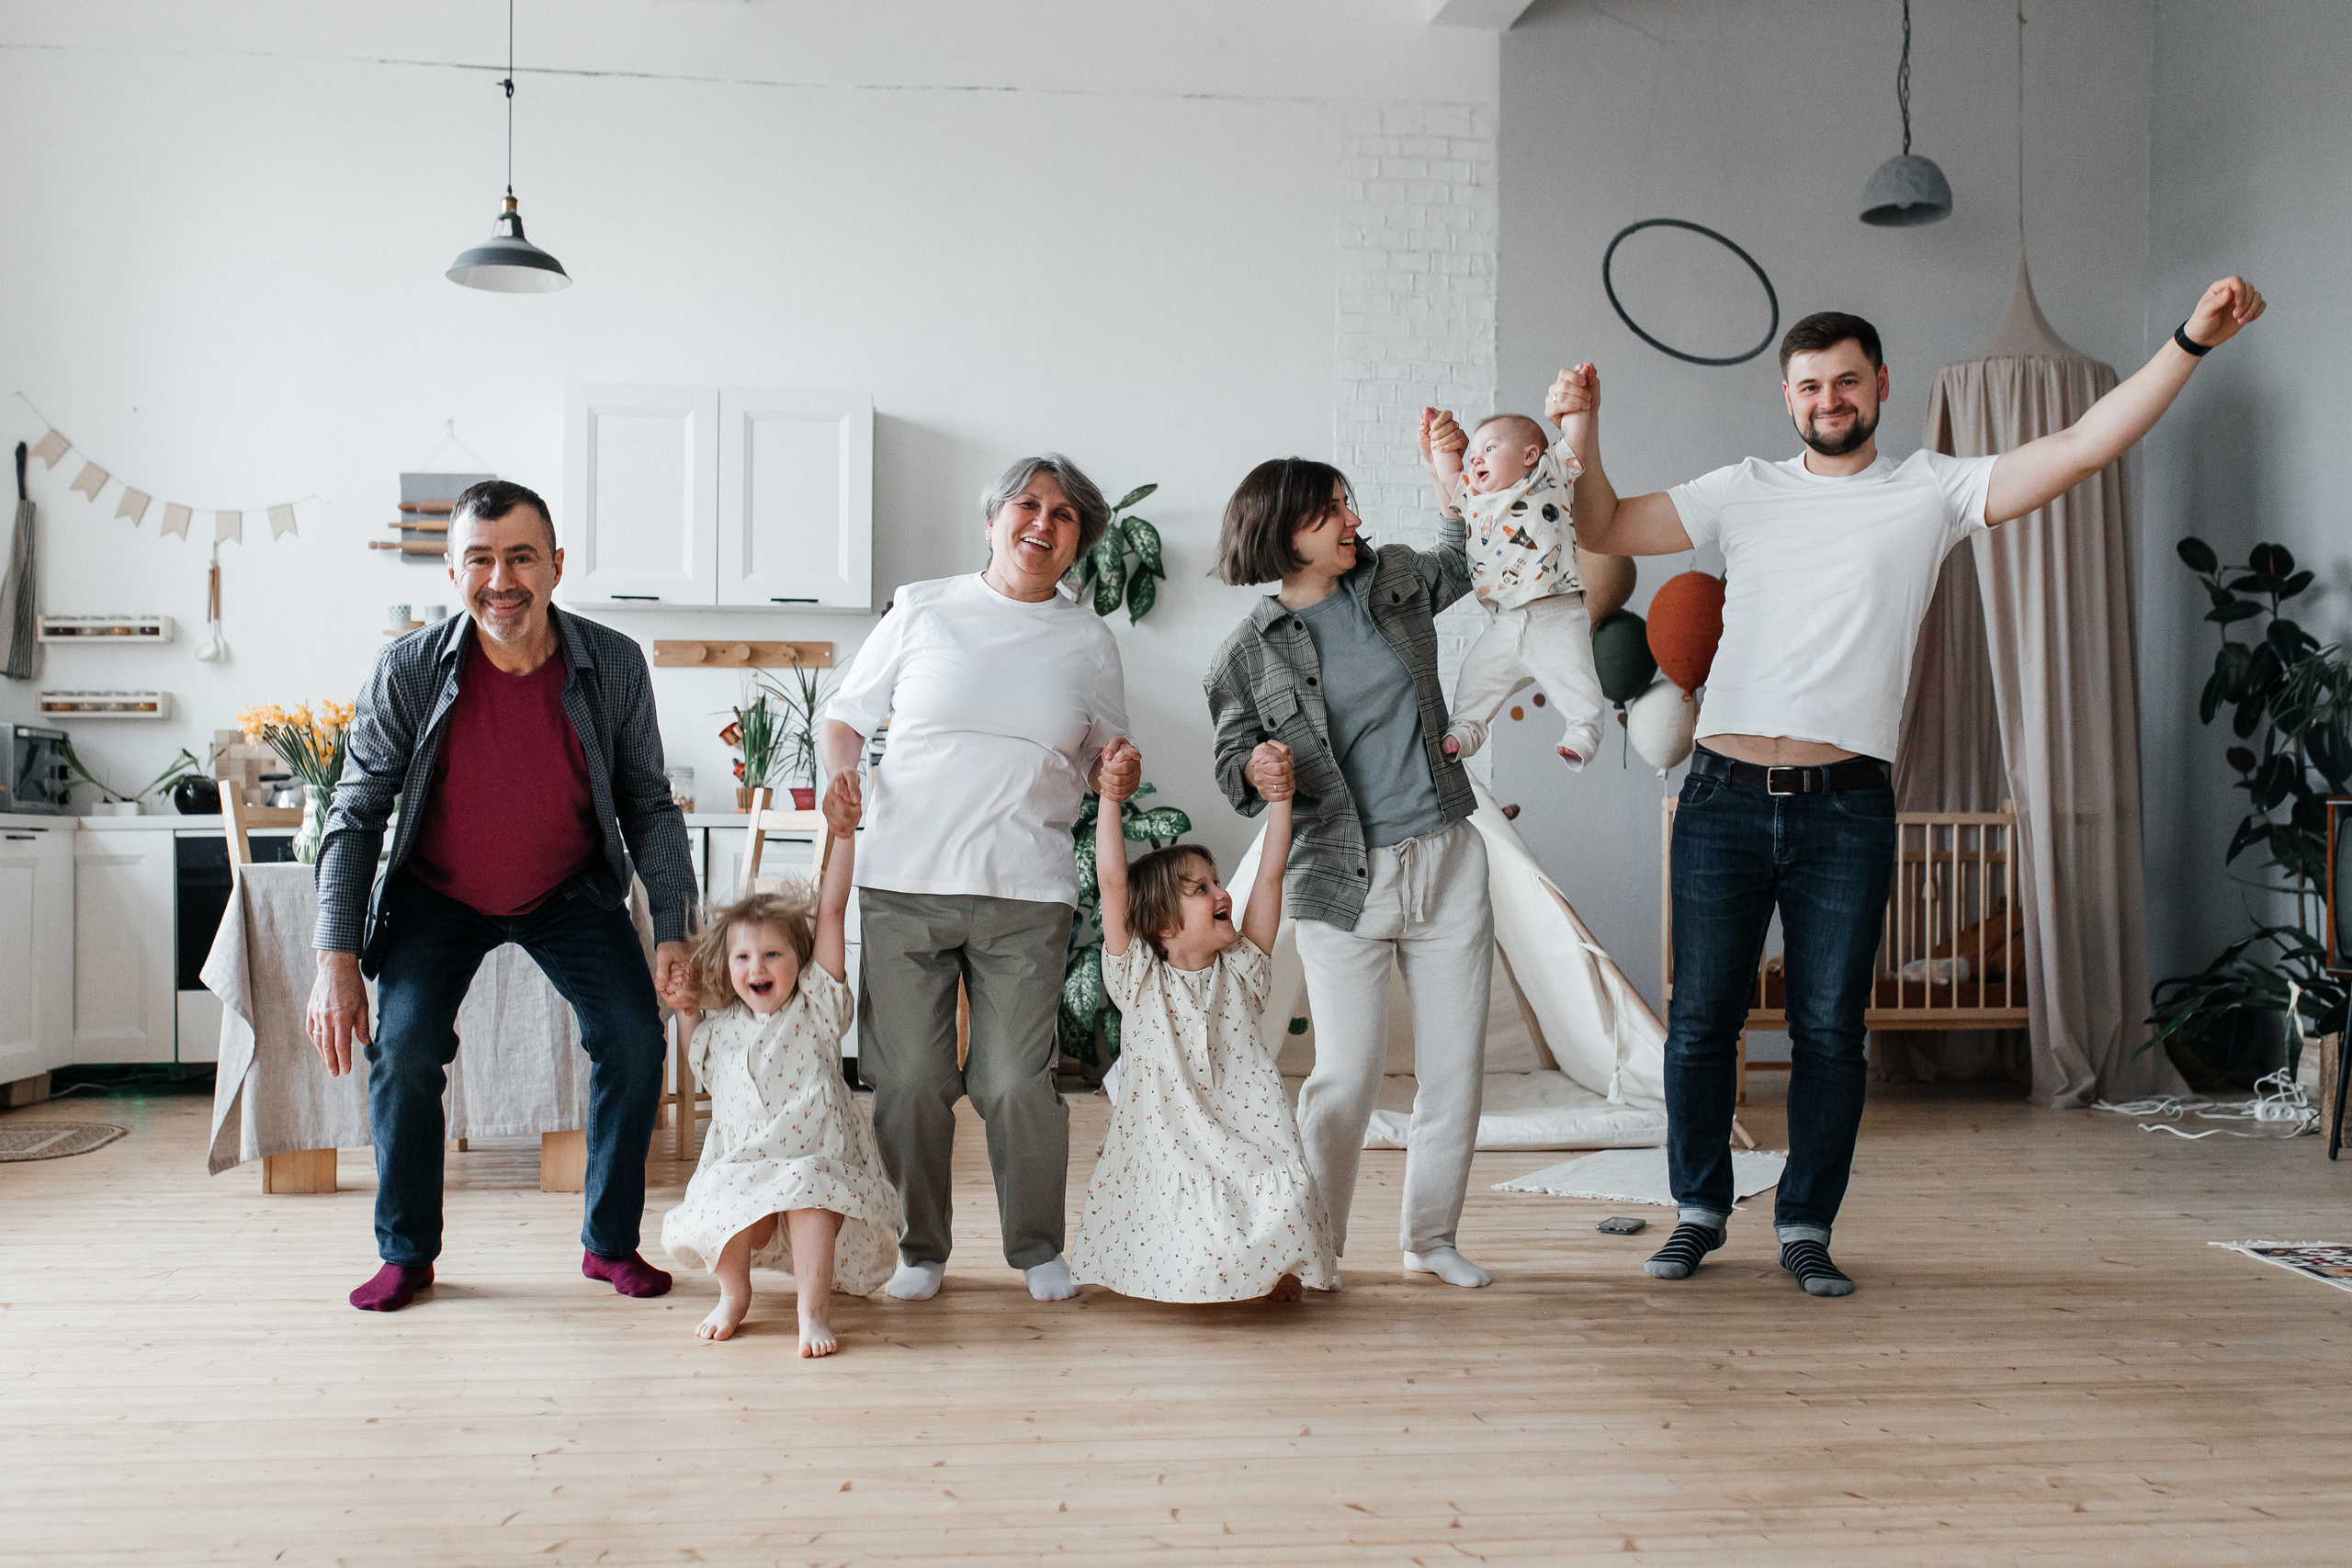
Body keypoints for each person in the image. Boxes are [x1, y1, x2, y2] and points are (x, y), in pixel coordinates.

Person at [1564, 276, 2268, 1297]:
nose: (1827, 399)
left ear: (1880, 386)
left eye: (1845, 380)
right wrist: (1582, 425)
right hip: (1720, 795)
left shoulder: (1932, 489)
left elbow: (2083, 445)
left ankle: (1805, 1225)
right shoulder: (1743, 487)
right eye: (1809, 386)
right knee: (1704, 1020)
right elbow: (1607, 526)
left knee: (1828, 1030)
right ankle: (1700, 1211)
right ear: (1787, 397)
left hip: (1845, 805)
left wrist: (2189, 341)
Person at [306, 479, 698, 1314]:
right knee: (405, 1051)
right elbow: (354, 815)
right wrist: (333, 957)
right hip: (435, 895)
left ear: (557, 565)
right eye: (480, 559)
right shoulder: (409, 669)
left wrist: (675, 927)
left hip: (569, 888)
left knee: (633, 1040)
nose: (501, 578)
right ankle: (406, 1252)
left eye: (521, 556)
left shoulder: (613, 663)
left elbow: (648, 803)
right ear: (453, 571)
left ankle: (609, 1243)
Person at [816, 454, 1140, 1304]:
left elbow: (1108, 748)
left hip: (1025, 890)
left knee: (1011, 1080)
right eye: (1027, 504)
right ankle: (918, 1249)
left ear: (1080, 542)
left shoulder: (1089, 638)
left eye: (1064, 514)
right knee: (910, 1080)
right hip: (905, 879)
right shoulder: (923, 608)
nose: (1043, 521)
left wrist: (1119, 763)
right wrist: (841, 775)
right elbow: (846, 715)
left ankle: (1036, 1247)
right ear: (993, 517)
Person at [1203, 425, 1498, 1291]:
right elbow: (1233, 766)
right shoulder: (1243, 654)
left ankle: (1430, 1238)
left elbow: (1467, 555)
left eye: (1348, 504)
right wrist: (1256, 769)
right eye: (1331, 509)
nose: (1351, 519)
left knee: (1453, 1072)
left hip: (1445, 856)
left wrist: (1450, 474)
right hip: (1340, 877)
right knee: (1345, 1076)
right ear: (1281, 529)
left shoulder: (1394, 579)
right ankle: (1313, 1243)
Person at [1069, 737, 1338, 1303]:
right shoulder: (1138, 978)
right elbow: (1114, 884)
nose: (1223, 894)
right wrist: (1111, 798)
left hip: (1245, 1130)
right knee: (1191, 1231)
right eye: (1201, 889)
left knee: (1278, 1196)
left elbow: (1269, 878)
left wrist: (1281, 800)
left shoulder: (1241, 968)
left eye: (1217, 883)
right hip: (1171, 1135)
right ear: (1164, 924)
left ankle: (1273, 1267)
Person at [659, 774, 900, 1354]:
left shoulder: (816, 1008)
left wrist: (842, 835)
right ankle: (733, 1294)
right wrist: (683, 996)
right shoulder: (723, 1029)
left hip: (812, 1159)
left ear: (799, 960)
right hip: (744, 1163)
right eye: (743, 956)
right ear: (727, 964)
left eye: (773, 953)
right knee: (721, 1194)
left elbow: (833, 911)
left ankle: (812, 1311)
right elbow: (692, 1025)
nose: (757, 966)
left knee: (811, 1196)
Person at [1428, 400, 1607, 770]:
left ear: (1530, 455)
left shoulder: (1550, 474)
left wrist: (1579, 403)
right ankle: (1464, 731)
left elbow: (1575, 438)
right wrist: (1439, 444)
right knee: (1475, 677)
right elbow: (1449, 475)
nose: (1476, 460)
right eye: (1473, 454)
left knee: (1577, 681)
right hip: (1505, 623)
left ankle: (1582, 733)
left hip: (1556, 612)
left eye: (1489, 449)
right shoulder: (1473, 497)